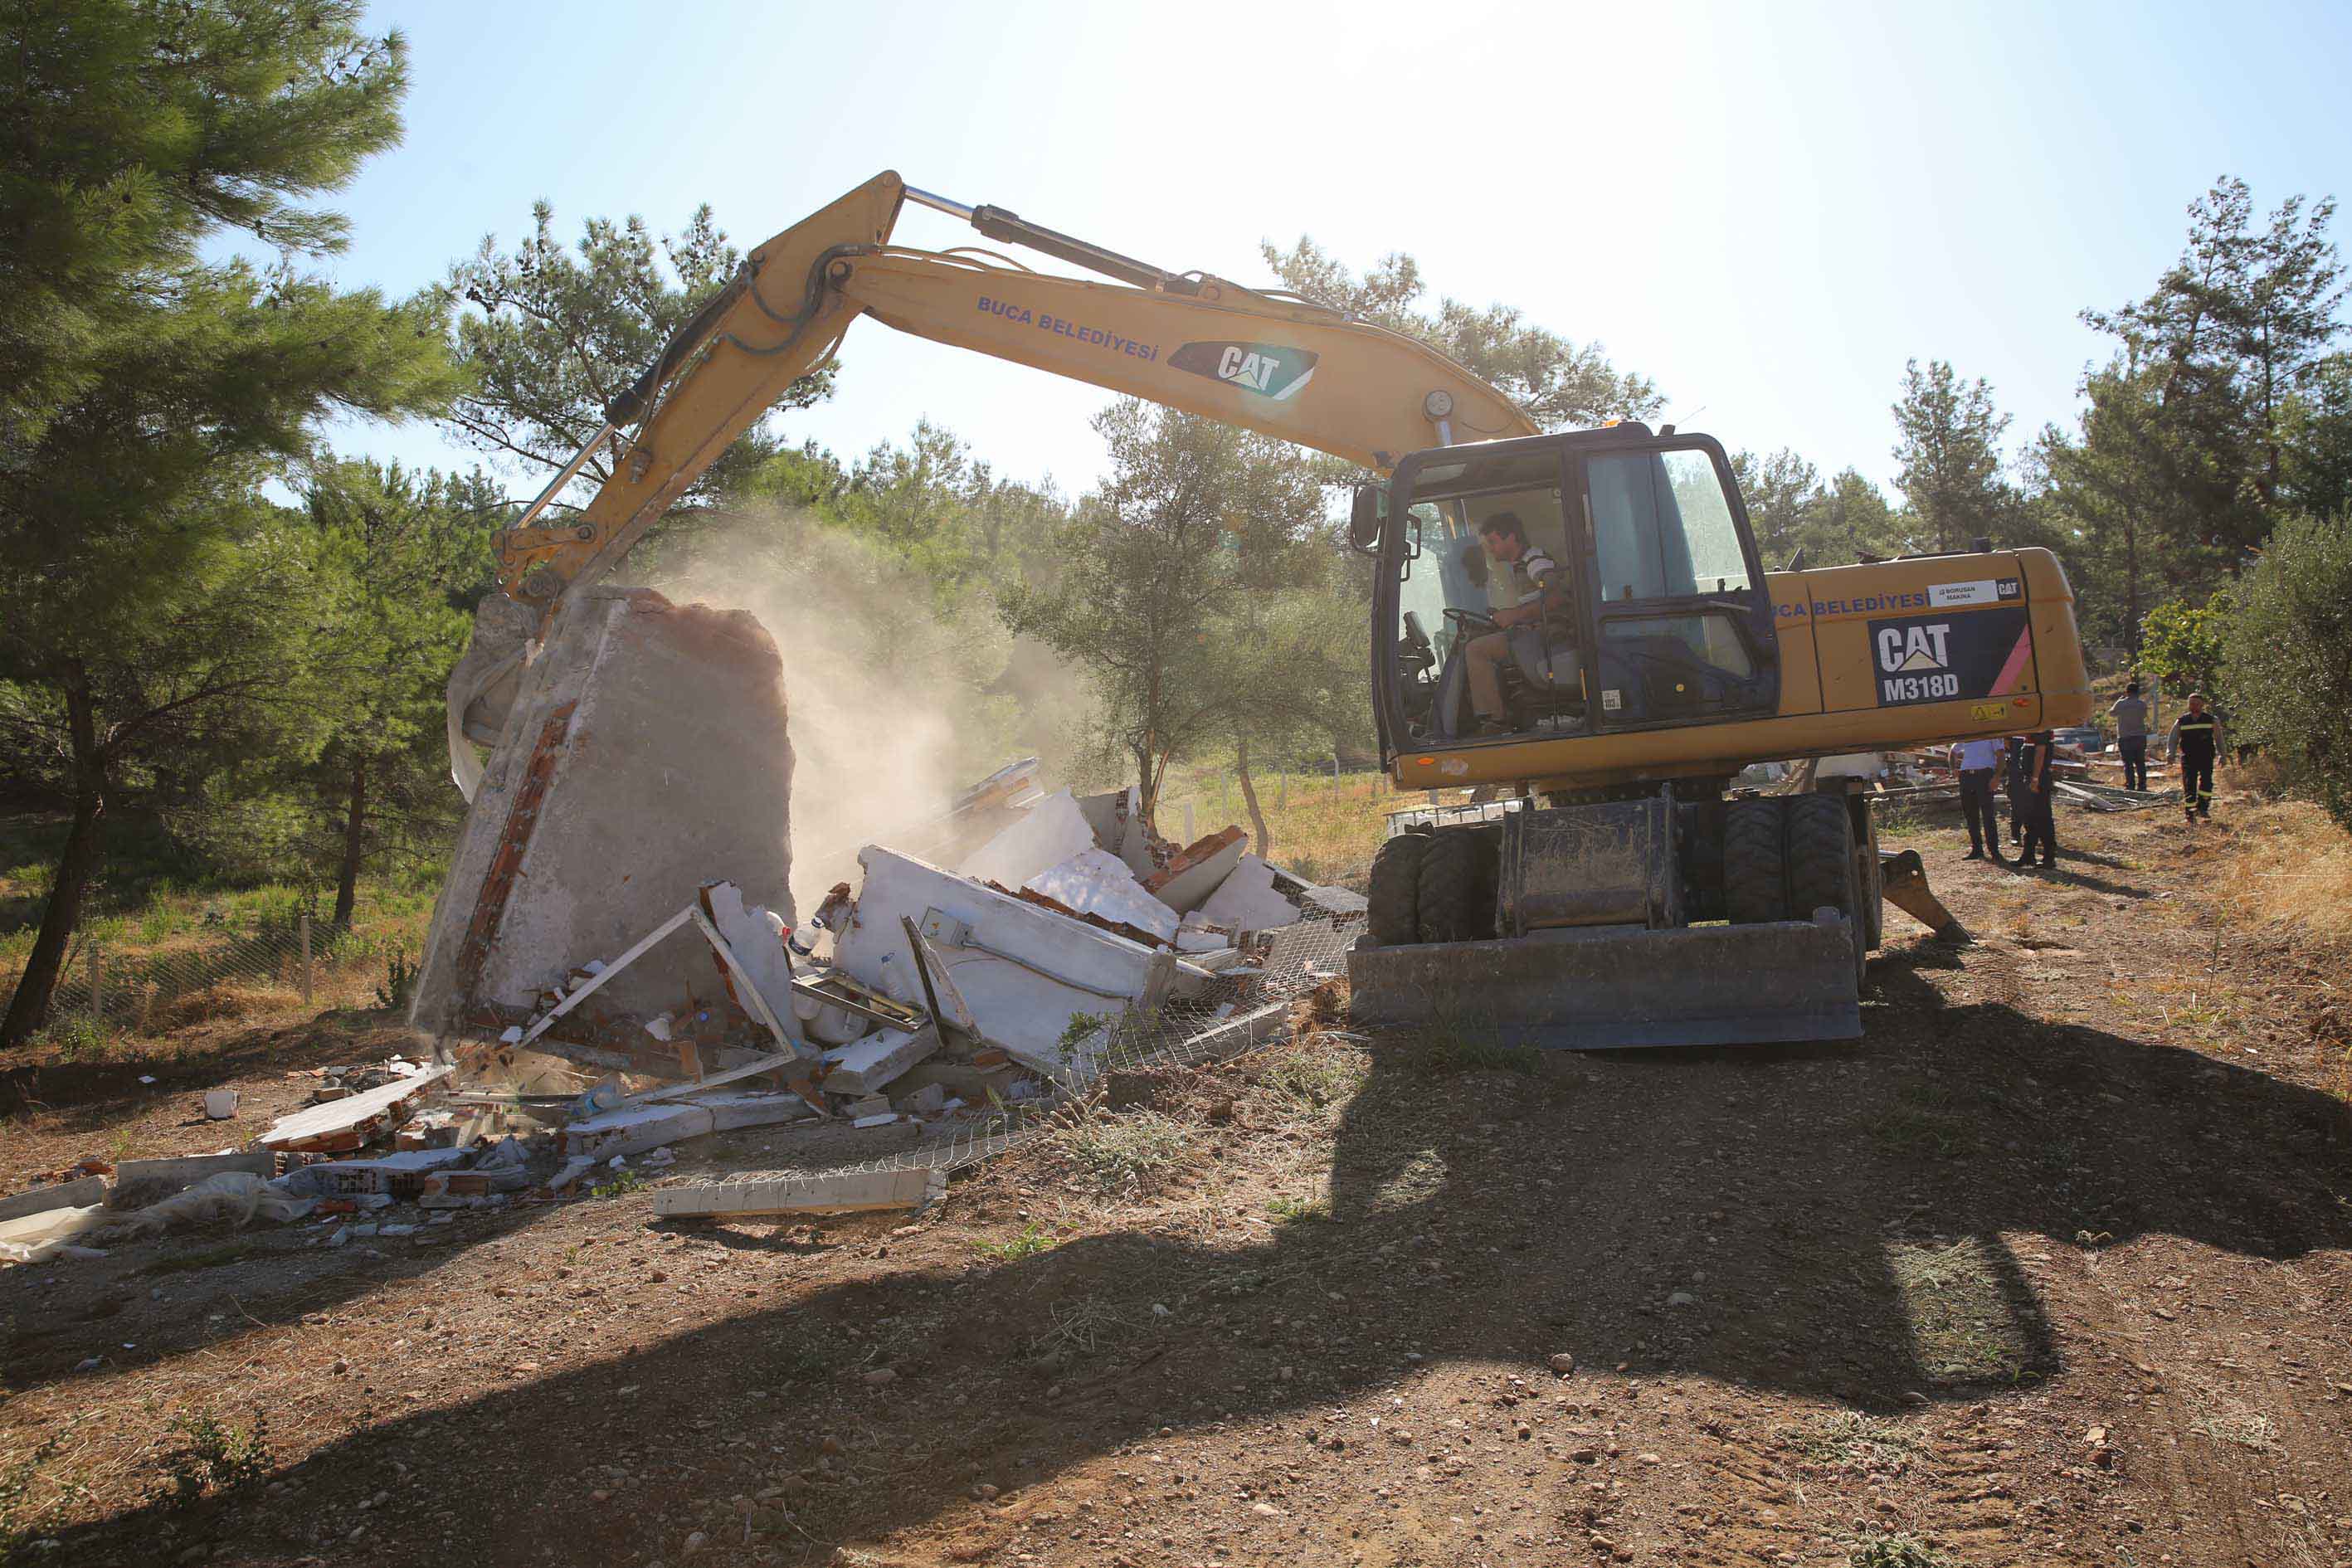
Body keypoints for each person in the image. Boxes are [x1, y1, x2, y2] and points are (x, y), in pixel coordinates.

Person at [1463, 511, 1573, 734]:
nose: (1491, 549)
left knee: (1476, 650)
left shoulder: (1535, 561)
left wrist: (1514, 616)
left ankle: (1495, 721)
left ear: (1511, 538)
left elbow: (1558, 598)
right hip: (1532, 632)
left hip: (1549, 634)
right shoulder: (1521, 565)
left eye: (1493, 542)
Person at [2169, 692, 2222, 823]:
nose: (2194, 706)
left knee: (2207, 783)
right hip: (2188, 758)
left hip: (2206, 756)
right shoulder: (2182, 721)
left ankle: (2203, 808)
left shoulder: (2211, 720)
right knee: (2189, 784)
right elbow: (2173, 737)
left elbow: (2219, 738)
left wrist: (2223, 754)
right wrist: (2170, 753)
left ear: (2202, 705)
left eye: (2197, 703)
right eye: (2191, 703)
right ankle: (2190, 814)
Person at [1954, 735, 2008, 861]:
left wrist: (1997, 777)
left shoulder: (1991, 735)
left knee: (1988, 814)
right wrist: (1953, 768)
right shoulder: (1967, 734)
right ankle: (1977, 849)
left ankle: (1994, 851)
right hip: (1967, 775)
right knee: (1970, 814)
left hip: (1984, 775)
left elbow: (2001, 755)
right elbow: (1954, 750)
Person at [2111, 680, 2150, 791]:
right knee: (2140, 763)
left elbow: (2111, 713)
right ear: (2138, 692)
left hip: (2125, 737)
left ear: (2126, 692)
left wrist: (2118, 701)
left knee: (2128, 764)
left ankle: (2130, 785)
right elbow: (2143, 716)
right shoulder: (2142, 704)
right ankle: (2142, 786)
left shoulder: (2121, 704)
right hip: (2139, 737)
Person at [2004, 731, 2031, 849]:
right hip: (2015, 774)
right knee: (2016, 806)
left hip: (2029, 773)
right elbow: (2005, 744)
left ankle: (2032, 835)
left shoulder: (2033, 732)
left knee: (2032, 806)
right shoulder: (2012, 732)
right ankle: (2016, 835)